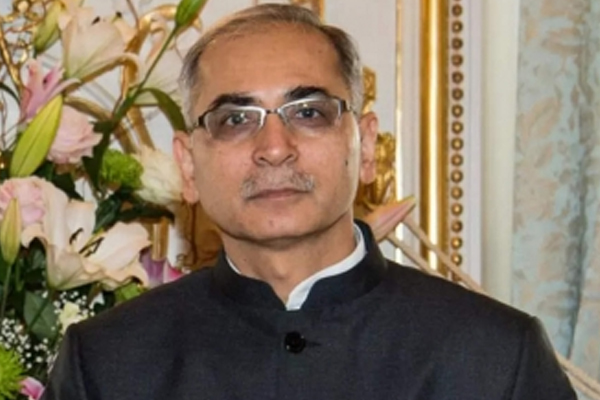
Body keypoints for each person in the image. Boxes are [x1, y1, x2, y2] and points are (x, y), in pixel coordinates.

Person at [42, 4, 576, 400]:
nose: (274, 148)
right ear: (187, 166)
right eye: (235, 119)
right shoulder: (109, 364)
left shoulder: (494, 358)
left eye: (308, 113)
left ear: (365, 147)